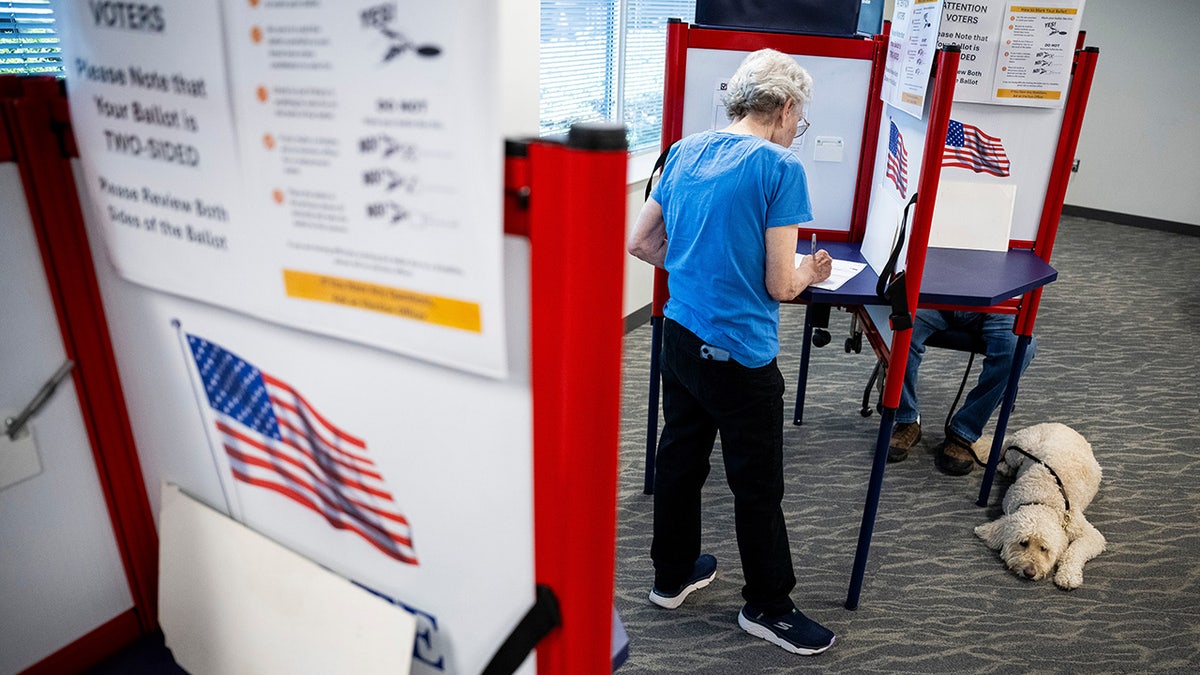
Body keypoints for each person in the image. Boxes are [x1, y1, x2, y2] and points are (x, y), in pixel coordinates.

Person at [627, 48, 835, 656]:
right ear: (787, 107)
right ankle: (768, 607)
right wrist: (813, 272)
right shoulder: (779, 167)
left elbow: (641, 242)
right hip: (740, 356)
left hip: (679, 336)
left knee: (680, 456)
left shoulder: (684, 150)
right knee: (756, 485)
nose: (798, 129)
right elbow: (779, 285)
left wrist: (694, 267)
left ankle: (672, 575)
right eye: (801, 117)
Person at [887, 310, 1036, 475]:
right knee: (893, 331)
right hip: (935, 300)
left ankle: (964, 432)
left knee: (1019, 349)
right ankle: (907, 419)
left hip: (996, 307)